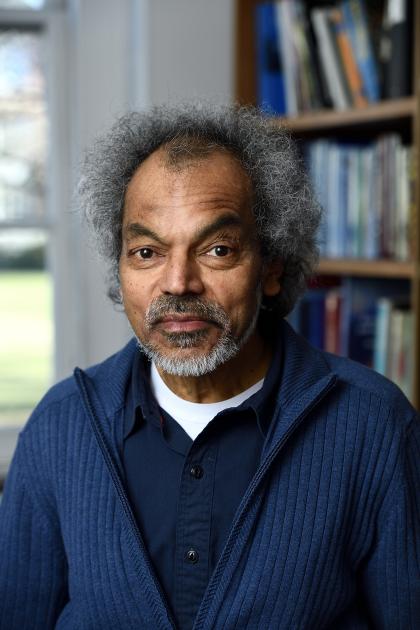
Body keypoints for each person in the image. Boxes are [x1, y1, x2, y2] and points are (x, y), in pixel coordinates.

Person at [0, 104, 419, 630]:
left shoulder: (375, 426)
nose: (178, 283)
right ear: (122, 267)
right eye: (147, 251)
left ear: (271, 269)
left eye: (217, 249)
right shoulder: (59, 427)